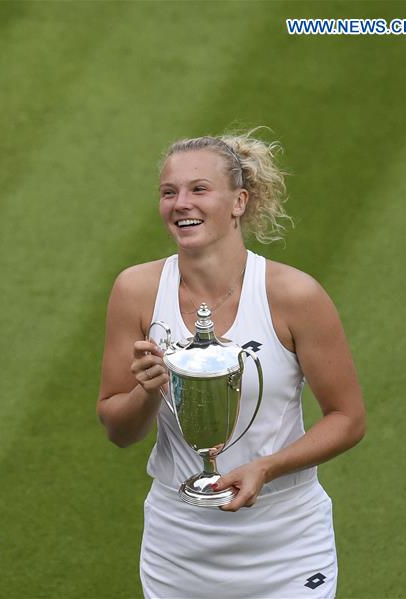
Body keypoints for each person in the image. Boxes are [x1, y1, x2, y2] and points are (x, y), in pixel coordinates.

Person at [97, 131, 365, 598]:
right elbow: (119, 431)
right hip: (178, 541)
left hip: (285, 540)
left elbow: (348, 418)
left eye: (199, 189)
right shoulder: (135, 291)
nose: (181, 203)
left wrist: (267, 467)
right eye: (169, 192)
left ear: (239, 201)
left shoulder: (294, 296)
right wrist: (145, 392)